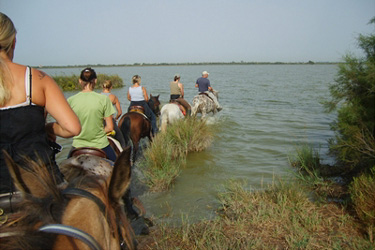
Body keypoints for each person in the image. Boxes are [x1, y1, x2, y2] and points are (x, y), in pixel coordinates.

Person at [0, 12, 81, 195]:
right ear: (13, 42)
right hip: (41, 186)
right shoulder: (36, 78)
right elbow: (73, 128)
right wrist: (47, 128)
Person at [67, 68, 117, 161]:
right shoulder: (104, 99)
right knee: (120, 170)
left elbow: (67, 128)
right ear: (95, 80)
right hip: (101, 145)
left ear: (80, 81)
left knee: (62, 172)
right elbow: (110, 128)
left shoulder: (71, 100)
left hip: (77, 146)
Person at [101, 80, 126, 148]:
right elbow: (119, 112)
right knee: (122, 141)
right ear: (111, 87)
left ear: (102, 87)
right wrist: (115, 119)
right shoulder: (113, 97)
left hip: (99, 122)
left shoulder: (98, 96)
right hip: (110, 121)